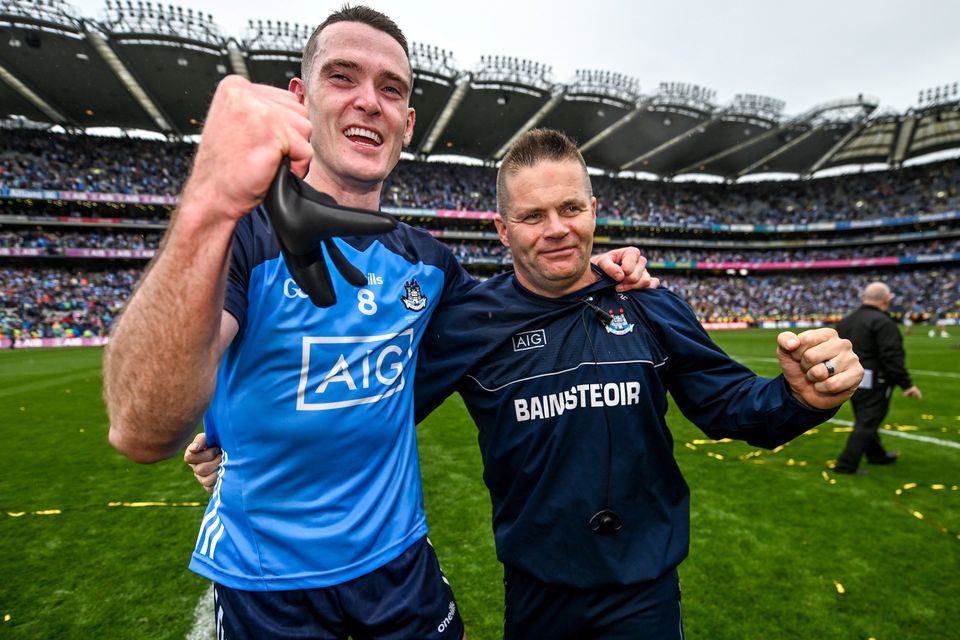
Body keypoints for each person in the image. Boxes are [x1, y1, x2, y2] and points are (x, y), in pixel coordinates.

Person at [103, 7, 652, 640]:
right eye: (343, 77)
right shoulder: (244, 239)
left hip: (400, 571)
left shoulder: (430, 265)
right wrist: (210, 200)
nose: (370, 101)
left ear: (408, 121)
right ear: (300, 99)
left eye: (391, 88)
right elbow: (142, 430)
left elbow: (522, 307)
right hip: (268, 585)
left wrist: (594, 267)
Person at [190, 129, 863, 639]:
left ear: (594, 209)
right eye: (534, 217)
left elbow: (732, 406)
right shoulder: (465, 321)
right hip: (538, 594)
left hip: (646, 592)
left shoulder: (651, 304)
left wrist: (800, 398)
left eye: (570, 208)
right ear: (502, 229)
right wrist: (234, 438)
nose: (557, 230)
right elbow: (366, 399)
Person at [833, 281, 922, 475]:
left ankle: (877, 455)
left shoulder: (847, 320)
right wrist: (906, 384)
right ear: (886, 299)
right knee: (868, 421)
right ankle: (846, 465)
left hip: (850, 378)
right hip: (875, 379)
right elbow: (891, 356)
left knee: (865, 417)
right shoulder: (883, 322)